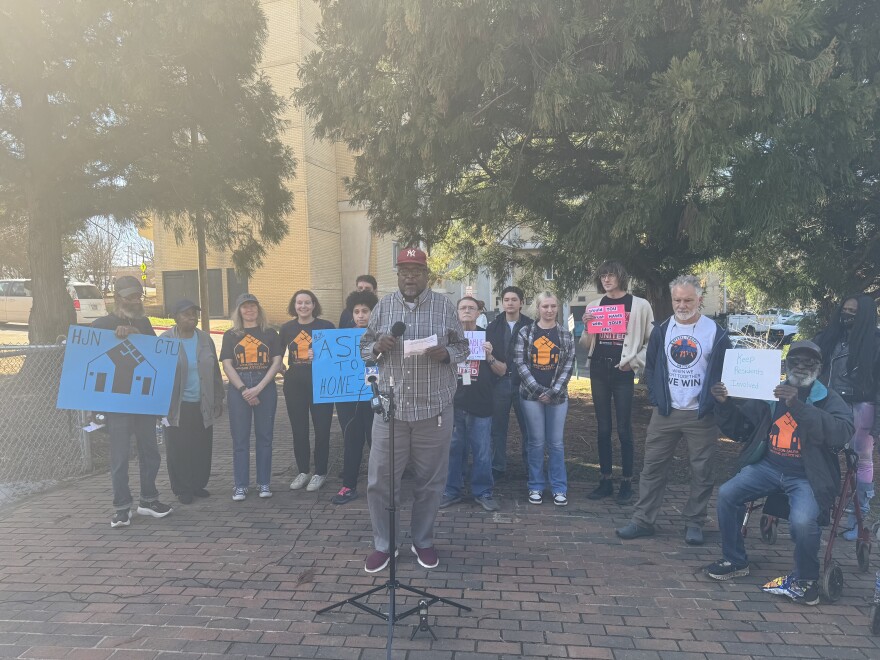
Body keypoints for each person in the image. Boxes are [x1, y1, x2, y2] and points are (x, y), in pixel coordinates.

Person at [704, 341, 853, 606]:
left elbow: (841, 432)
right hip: (768, 467)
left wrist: (797, 405)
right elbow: (741, 430)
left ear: (819, 368)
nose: (802, 367)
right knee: (727, 494)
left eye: (810, 363)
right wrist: (724, 404)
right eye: (796, 361)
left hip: (806, 475)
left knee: (804, 521)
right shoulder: (768, 393)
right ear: (786, 365)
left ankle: (806, 578)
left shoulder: (828, 398)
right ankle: (735, 560)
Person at [360, 246, 469, 573]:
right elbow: (365, 347)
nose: (410, 276)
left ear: (426, 275)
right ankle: (385, 544)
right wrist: (376, 347)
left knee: (430, 483)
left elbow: (463, 347)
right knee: (380, 482)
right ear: (398, 275)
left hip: (434, 410)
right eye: (404, 271)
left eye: (416, 271)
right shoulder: (383, 306)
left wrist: (446, 354)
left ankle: (422, 540)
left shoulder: (444, 306)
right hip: (391, 411)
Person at [616, 274, 730, 545]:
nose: (681, 304)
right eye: (677, 299)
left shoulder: (715, 332)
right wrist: (656, 398)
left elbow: (725, 370)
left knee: (702, 470)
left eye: (688, 299)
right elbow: (652, 366)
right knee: (652, 467)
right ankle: (643, 520)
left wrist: (715, 399)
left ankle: (694, 522)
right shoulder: (662, 329)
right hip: (666, 412)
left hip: (700, 414)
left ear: (699, 300)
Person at [92, 275, 172, 528]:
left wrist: (137, 334)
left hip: (143, 399)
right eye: (129, 297)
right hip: (116, 401)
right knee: (120, 456)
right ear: (117, 298)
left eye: (138, 296)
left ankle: (148, 500)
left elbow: (155, 354)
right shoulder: (102, 324)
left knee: (150, 452)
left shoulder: (145, 322)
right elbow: (89, 357)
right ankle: (121, 507)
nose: (135, 301)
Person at [580, 261, 654, 504]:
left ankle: (627, 482)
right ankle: (605, 480)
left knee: (624, 429)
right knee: (602, 428)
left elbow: (650, 342)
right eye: (603, 276)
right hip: (599, 369)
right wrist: (587, 324)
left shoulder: (640, 305)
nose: (606, 279)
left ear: (621, 277)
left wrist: (633, 363)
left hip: (623, 371)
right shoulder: (595, 305)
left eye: (611, 275)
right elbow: (586, 343)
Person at [814, 294, 880, 540]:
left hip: (861, 407)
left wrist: (877, 423)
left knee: (861, 461)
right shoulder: (828, 336)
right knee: (819, 454)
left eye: (853, 312)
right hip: (826, 403)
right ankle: (820, 511)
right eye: (844, 310)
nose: (847, 315)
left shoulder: (875, 342)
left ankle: (858, 518)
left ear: (864, 315)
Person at [441, 296, 507, 512]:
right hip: (453, 401)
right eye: (463, 308)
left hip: (481, 402)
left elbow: (502, 370)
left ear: (479, 312)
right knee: (453, 449)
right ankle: (452, 490)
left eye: (472, 308)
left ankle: (483, 492)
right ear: (456, 312)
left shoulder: (489, 336)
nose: (467, 311)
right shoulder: (448, 337)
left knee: (482, 450)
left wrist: (489, 356)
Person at [514, 292, 576, 506]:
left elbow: (568, 365)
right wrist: (539, 389)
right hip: (531, 396)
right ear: (538, 308)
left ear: (557, 308)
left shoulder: (565, 335)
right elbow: (520, 363)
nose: (549, 310)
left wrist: (552, 391)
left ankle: (559, 487)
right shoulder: (526, 332)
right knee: (536, 442)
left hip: (558, 398)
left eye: (553, 306)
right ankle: (536, 486)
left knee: (556, 443)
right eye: (545, 306)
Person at [220, 293, 283, 501]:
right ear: (238, 311)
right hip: (239, 389)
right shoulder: (230, 335)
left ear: (259, 309)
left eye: (253, 306)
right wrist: (243, 390)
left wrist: (259, 388)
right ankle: (241, 485)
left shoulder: (270, 333)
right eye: (245, 307)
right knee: (240, 439)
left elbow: (276, 362)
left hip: (265, 386)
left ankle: (264, 483)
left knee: (265, 438)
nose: (249, 310)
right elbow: (227, 364)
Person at [161, 299, 224, 504]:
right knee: (179, 447)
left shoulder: (205, 339)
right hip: (177, 405)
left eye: (194, 313)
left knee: (201, 445)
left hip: (202, 402)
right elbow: (159, 375)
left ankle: (198, 484)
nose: (191, 317)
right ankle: (182, 488)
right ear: (175, 317)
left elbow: (215, 370)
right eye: (186, 313)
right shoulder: (166, 339)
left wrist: (217, 398)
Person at [280, 289, 336, 492]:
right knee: (299, 430)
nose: (303, 306)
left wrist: (320, 356)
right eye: (299, 303)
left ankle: (320, 472)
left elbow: (336, 356)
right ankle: (303, 471)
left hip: (321, 384)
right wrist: (282, 369)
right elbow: (277, 356)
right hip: (294, 385)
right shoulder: (286, 328)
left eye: (307, 303)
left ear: (314, 305)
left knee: (322, 430)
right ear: (294, 306)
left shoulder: (326, 326)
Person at [331, 288, 379, 505]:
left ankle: (380, 486)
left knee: (376, 441)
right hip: (348, 400)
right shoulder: (340, 338)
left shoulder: (382, 336)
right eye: (357, 311)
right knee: (351, 441)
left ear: (373, 312)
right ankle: (348, 486)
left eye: (365, 311)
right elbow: (329, 364)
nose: (361, 315)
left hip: (375, 397)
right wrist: (316, 356)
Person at [485, 286, 533, 480]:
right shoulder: (493, 326)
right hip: (500, 382)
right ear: (502, 303)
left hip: (524, 383)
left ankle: (530, 467)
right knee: (497, 428)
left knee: (528, 428)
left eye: (514, 299)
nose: (510, 303)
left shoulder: (532, 325)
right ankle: (498, 466)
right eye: (507, 300)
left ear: (521, 302)